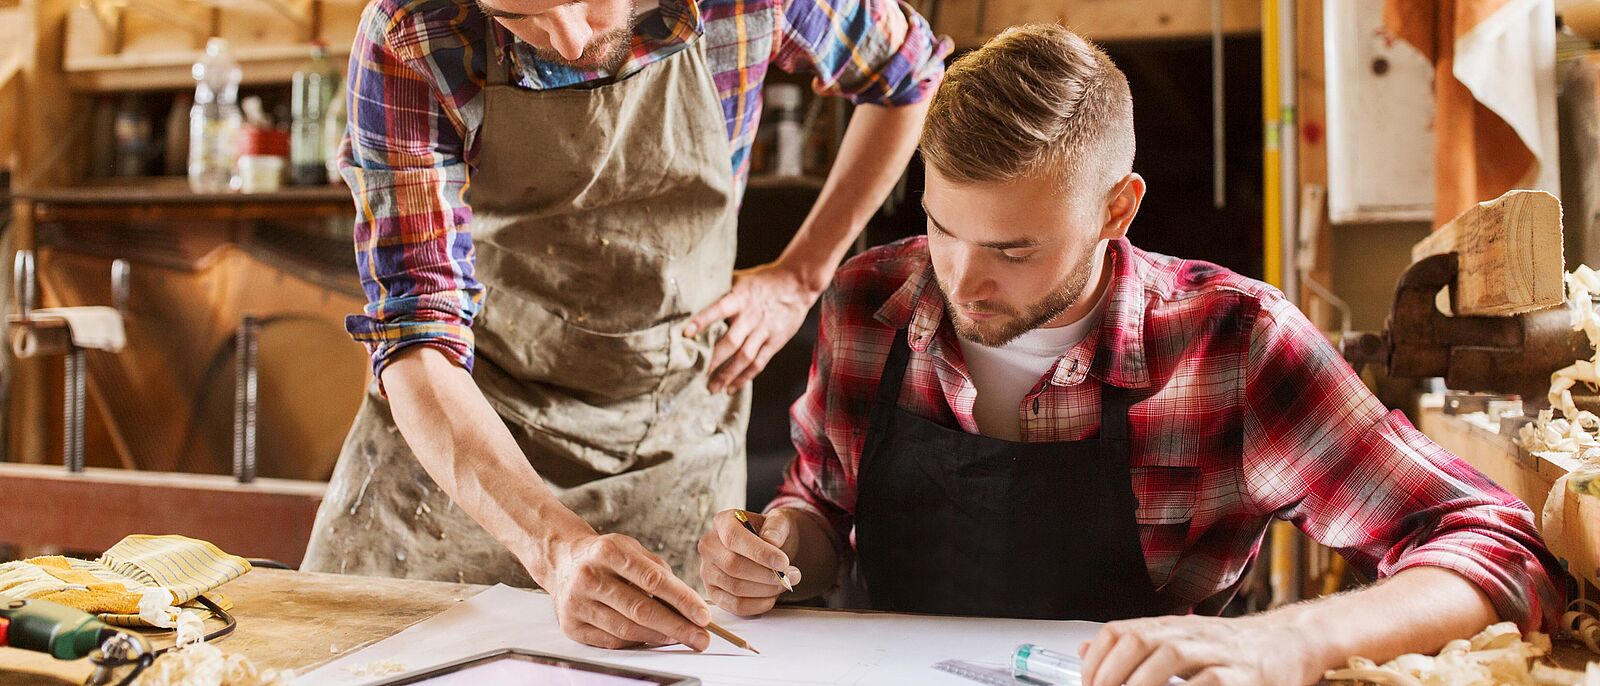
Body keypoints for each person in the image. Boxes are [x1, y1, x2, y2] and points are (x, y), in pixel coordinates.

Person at [696, 23, 1566, 684]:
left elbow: (1495, 546)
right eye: (940, 226)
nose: (960, 280)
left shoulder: (1233, 344)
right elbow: (819, 504)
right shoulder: (868, 302)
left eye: (1013, 250)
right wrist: (777, 551)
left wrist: (1285, 639)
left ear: (1118, 209)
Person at [300, 0, 949, 652]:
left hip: (668, 442)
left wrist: (802, 274)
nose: (568, 39)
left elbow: (909, 73)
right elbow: (416, 337)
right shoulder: (413, 31)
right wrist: (555, 548)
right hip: (473, 442)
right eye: (518, 16)